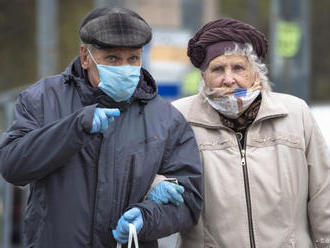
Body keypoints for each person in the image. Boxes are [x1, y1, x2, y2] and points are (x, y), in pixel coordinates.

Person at [0, 7, 203, 248]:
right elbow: (13, 166)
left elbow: (188, 200)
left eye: (133, 59)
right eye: (112, 59)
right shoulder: (43, 99)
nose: (124, 69)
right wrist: (74, 127)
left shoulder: (166, 118)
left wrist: (148, 217)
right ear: (86, 57)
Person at [172, 18, 330, 247]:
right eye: (218, 69)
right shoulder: (180, 118)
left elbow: (323, 192)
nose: (229, 79)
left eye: (238, 67)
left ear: (255, 74)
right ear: (203, 77)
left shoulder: (295, 113)